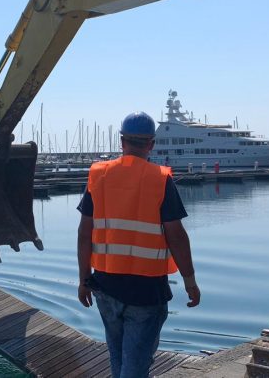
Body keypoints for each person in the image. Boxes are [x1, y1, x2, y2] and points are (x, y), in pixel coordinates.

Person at [76, 111, 200, 378]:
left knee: (118, 358)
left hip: (106, 287)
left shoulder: (98, 176)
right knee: (134, 368)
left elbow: (85, 233)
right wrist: (190, 281)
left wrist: (83, 279)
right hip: (146, 292)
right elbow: (176, 236)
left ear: (122, 141)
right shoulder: (160, 179)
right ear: (151, 144)